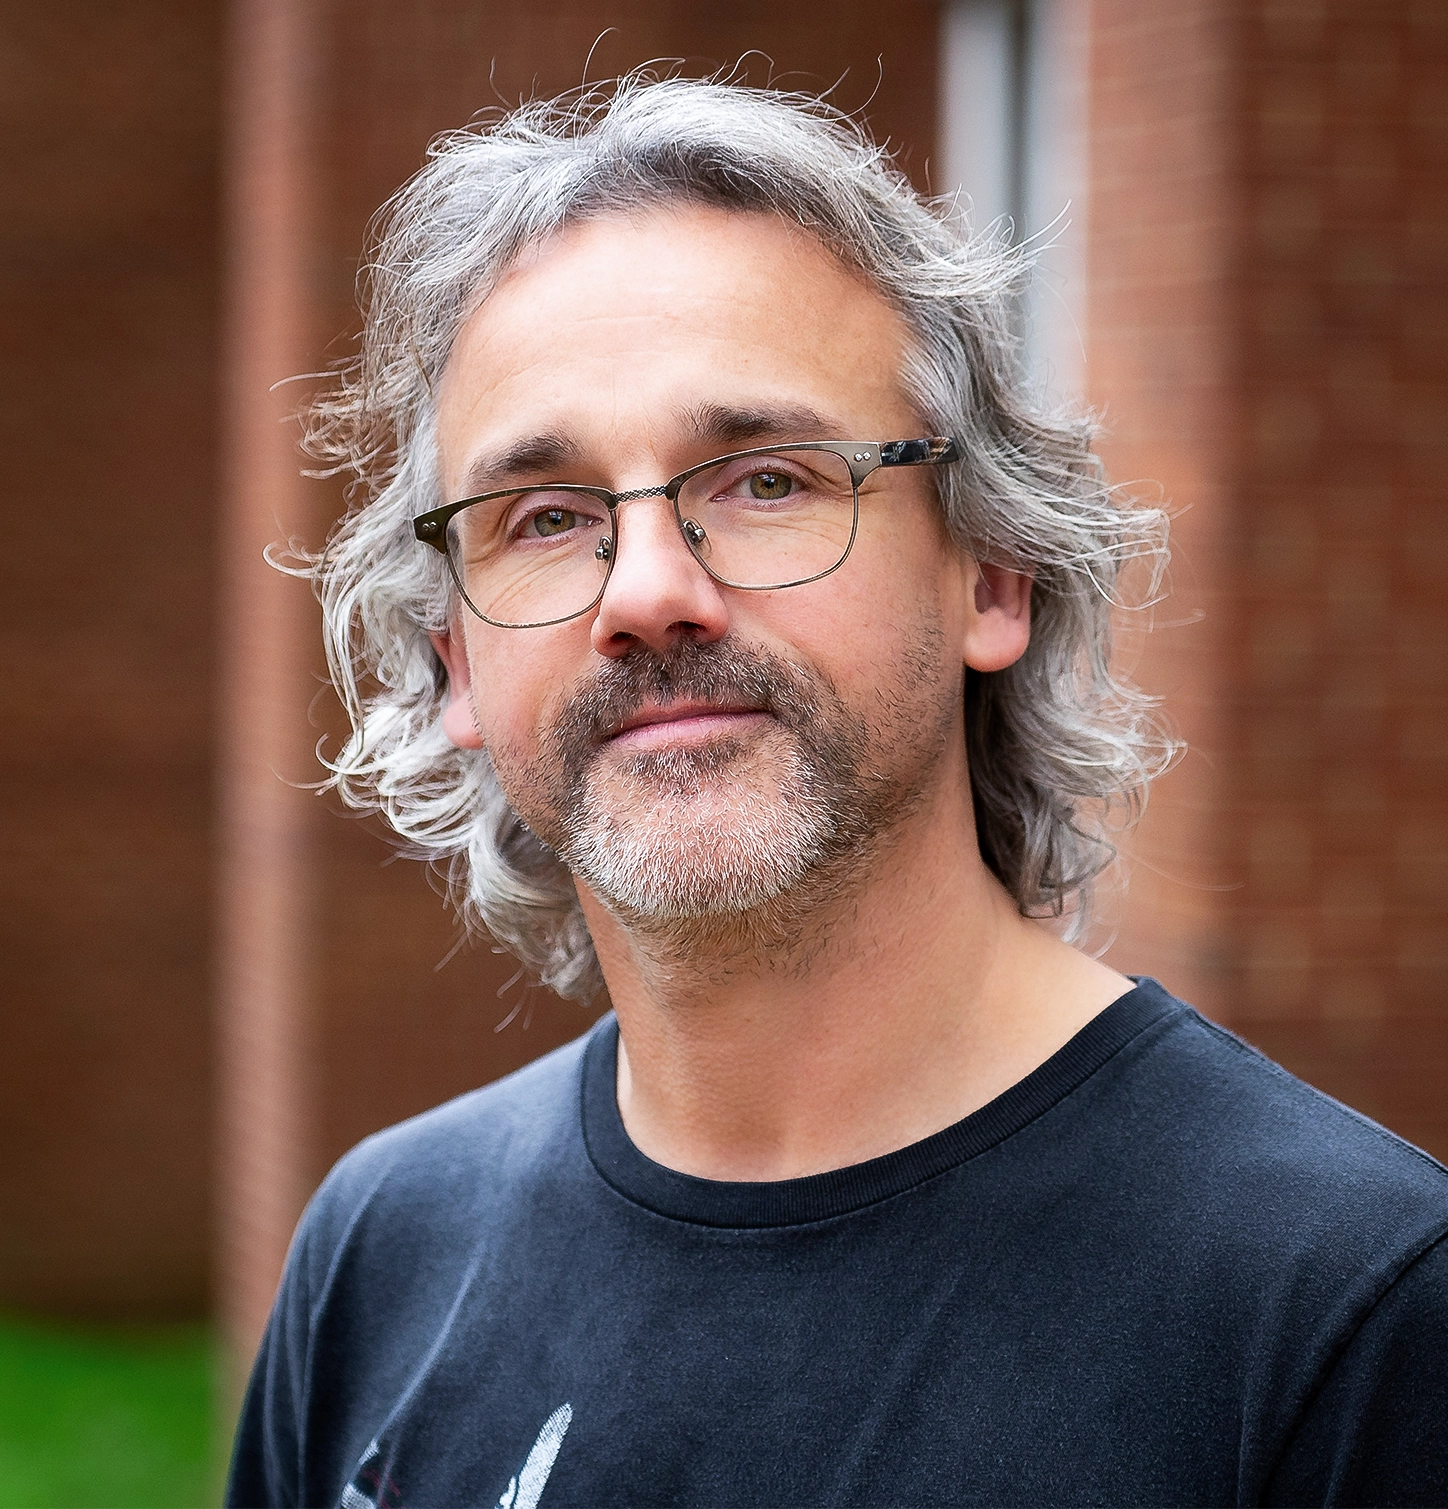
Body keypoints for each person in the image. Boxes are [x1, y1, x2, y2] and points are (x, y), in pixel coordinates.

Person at [227, 76, 1448, 1508]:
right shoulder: (384, 1253)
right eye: (546, 519)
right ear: (455, 665)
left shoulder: (1346, 1313)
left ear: (995, 571)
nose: (647, 594)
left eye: (764, 480)